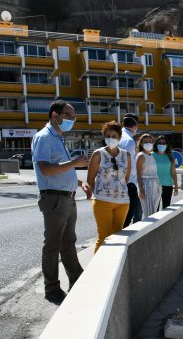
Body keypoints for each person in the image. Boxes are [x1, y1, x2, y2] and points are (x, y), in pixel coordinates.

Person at [32, 100, 91, 304]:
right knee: (53, 245)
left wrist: (79, 181)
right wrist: (75, 163)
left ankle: (77, 279)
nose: (72, 120)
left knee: (68, 243)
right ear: (55, 115)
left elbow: (60, 170)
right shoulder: (44, 137)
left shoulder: (58, 138)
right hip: (54, 199)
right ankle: (52, 289)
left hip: (66, 198)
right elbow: (46, 169)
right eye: (69, 116)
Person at [88, 121, 131, 253]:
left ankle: (112, 269)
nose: (111, 138)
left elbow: (126, 178)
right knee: (103, 237)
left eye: (114, 135)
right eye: (108, 135)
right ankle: (96, 271)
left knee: (117, 236)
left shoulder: (126, 155)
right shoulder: (98, 154)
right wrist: (100, 193)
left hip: (122, 202)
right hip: (102, 201)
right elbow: (90, 179)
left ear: (119, 137)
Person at [121, 114, 142, 227]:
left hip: (125, 183)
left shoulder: (119, 136)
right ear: (135, 126)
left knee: (135, 213)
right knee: (127, 218)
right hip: (129, 184)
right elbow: (127, 164)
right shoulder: (129, 141)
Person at [136, 133, 161, 216]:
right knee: (148, 212)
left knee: (154, 212)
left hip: (155, 185)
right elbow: (138, 173)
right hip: (146, 185)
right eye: (145, 142)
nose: (148, 143)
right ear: (141, 143)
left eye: (150, 141)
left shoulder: (151, 155)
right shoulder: (141, 156)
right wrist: (141, 189)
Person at [153, 135, 178, 209]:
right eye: (159, 143)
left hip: (168, 186)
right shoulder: (151, 155)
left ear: (167, 145)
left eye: (164, 143)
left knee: (166, 209)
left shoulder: (170, 156)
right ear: (156, 144)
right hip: (154, 186)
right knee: (155, 209)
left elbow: (173, 172)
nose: (162, 144)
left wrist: (176, 185)